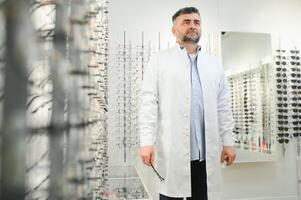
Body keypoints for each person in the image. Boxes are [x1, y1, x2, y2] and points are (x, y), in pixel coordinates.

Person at [139, 7, 236, 200]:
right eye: (186, 22)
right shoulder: (159, 61)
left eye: (196, 22)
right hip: (173, 152)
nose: (192, 26)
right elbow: (148, 103)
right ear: (174, 30)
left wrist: (228, 142)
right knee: (171, 196)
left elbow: (223, 106)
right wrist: (146, 142)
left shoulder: (214, 64)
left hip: (205, 155)